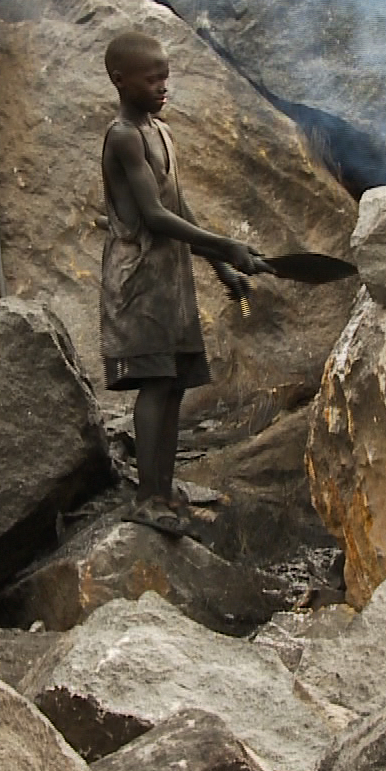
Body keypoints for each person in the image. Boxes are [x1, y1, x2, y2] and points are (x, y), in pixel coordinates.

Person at [99, 30, 270, 533]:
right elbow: (152, 216)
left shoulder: (161, 131)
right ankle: (146, 498)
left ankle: (163, 486)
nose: (162, 87)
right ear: (119, 80)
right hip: (138, 282)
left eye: (165, 78)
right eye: (152, 80)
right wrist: (225, 244)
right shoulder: (124, 136)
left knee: (173, 385)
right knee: (154, 384)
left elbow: (178, 206)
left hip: (170, 279)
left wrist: (222, 268)